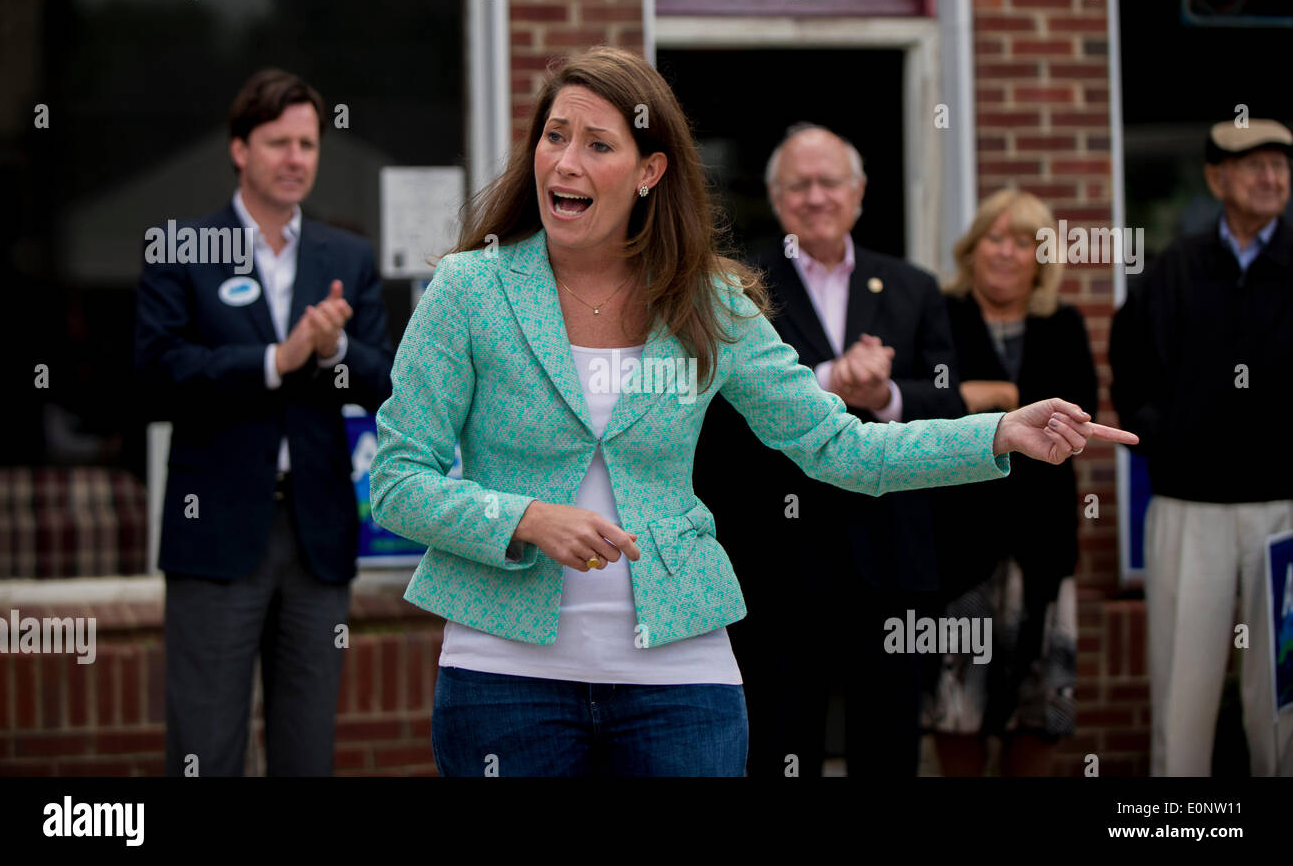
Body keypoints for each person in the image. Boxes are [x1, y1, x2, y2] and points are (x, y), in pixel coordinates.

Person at [369, 46, 1136, 778]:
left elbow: (841, 447)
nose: (564, 162)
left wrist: (996, 431)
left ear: (649, 171)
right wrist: (526, 518)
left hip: (679, 674)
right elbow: (399, 481)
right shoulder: (469, 290)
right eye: (554, 137)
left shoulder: (707, 300)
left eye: (597, 144)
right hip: (503, 673)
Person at [134, 68, 394, 776]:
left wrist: (334, 348)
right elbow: (156, 375)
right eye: (278, 142)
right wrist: (278, 359)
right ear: (239, 149)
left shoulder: (348, 257)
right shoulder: (183, 245)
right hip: (214, 528)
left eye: (307, 143)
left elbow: (387, 386)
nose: (296, 158)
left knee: (306, 752)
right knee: (206, 748)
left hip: (318, 532)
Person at [692, 123, 964, 777]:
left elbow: (949, 399)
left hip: (890, 559)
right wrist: (825, 382)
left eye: (828, 182)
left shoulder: (912, 286)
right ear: (776, 197)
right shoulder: (735, 285)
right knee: (781, 739)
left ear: (859, 193)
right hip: (779, 562)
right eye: (799, 185)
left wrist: (885, 396)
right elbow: (712, 414)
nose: (815, 197)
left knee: (889, 745)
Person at [1110, 118, 1293, 776]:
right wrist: (1165, 440)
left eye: (1279, 166)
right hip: (1191, 506)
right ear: (1217, 179)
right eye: (1253, 167)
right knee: (1182, 692)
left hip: (1286, 511)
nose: (1270, 179)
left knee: (1283, 695)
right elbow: (1131, 368)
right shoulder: (1174, 268)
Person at [923, 188, 1098, 776]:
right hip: (958, 543)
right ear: (973, 250)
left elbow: (1082, 416)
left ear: (1041, 259)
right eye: (995, 239)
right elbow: (928, 410)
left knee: (1037, 706)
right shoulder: (941, 315)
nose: (1006, 253)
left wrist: (988, 401)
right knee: (956, 706)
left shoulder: (1064, 324)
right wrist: (1001, 404)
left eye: (1023, 243)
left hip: (1043, 541)